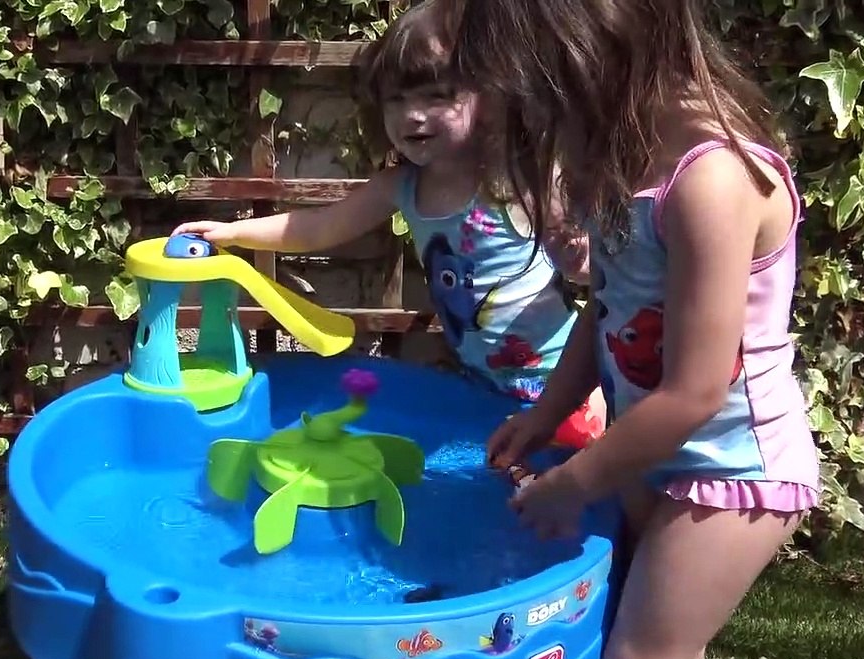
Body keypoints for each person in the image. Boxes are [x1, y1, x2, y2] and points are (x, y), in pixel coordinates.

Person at [443, 0, 822, 659]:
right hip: (662, 455)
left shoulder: (713, 179)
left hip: (736, 470)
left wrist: (574, 483)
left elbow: (696, 393)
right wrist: (548, 413)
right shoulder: (623, 154)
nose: (537, 113)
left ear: (594, 48)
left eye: (541, 86)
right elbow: (609, 310)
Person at [169, 0, 604, 424]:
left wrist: (580, 262)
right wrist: (233, 233)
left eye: (436, 96)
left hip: (566, 384)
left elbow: (590, 264)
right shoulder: (400, 187)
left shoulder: (515, 179)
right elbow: (316, 227)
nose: (412, 116)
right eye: (397, 100)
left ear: (488, 99)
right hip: (481, 385)